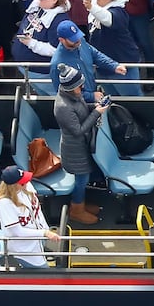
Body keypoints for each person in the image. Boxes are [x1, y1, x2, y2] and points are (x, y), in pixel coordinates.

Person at [53, 64, 106, 225]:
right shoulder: (62, 107)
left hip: (82, 146)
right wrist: (97, 113)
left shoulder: (74, 96)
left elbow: (82, 109)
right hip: (74, 150)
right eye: (79, 86)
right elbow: (78, 130)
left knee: (85, 177)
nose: (82, 88)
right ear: (70, 88)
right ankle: (76, 209)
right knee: (81, 179)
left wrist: (96, 106)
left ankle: (79, 204)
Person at [0, 164, 58, 268]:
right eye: (22, 182)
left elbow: (38, 211)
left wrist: (45, 230)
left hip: (39, 238)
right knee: (45, 274)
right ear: (14, 185)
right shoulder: (4, 203)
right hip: (25, 249)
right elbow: (17, 232)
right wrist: (44, 233)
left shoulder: (27, 186)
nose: (26, 182)